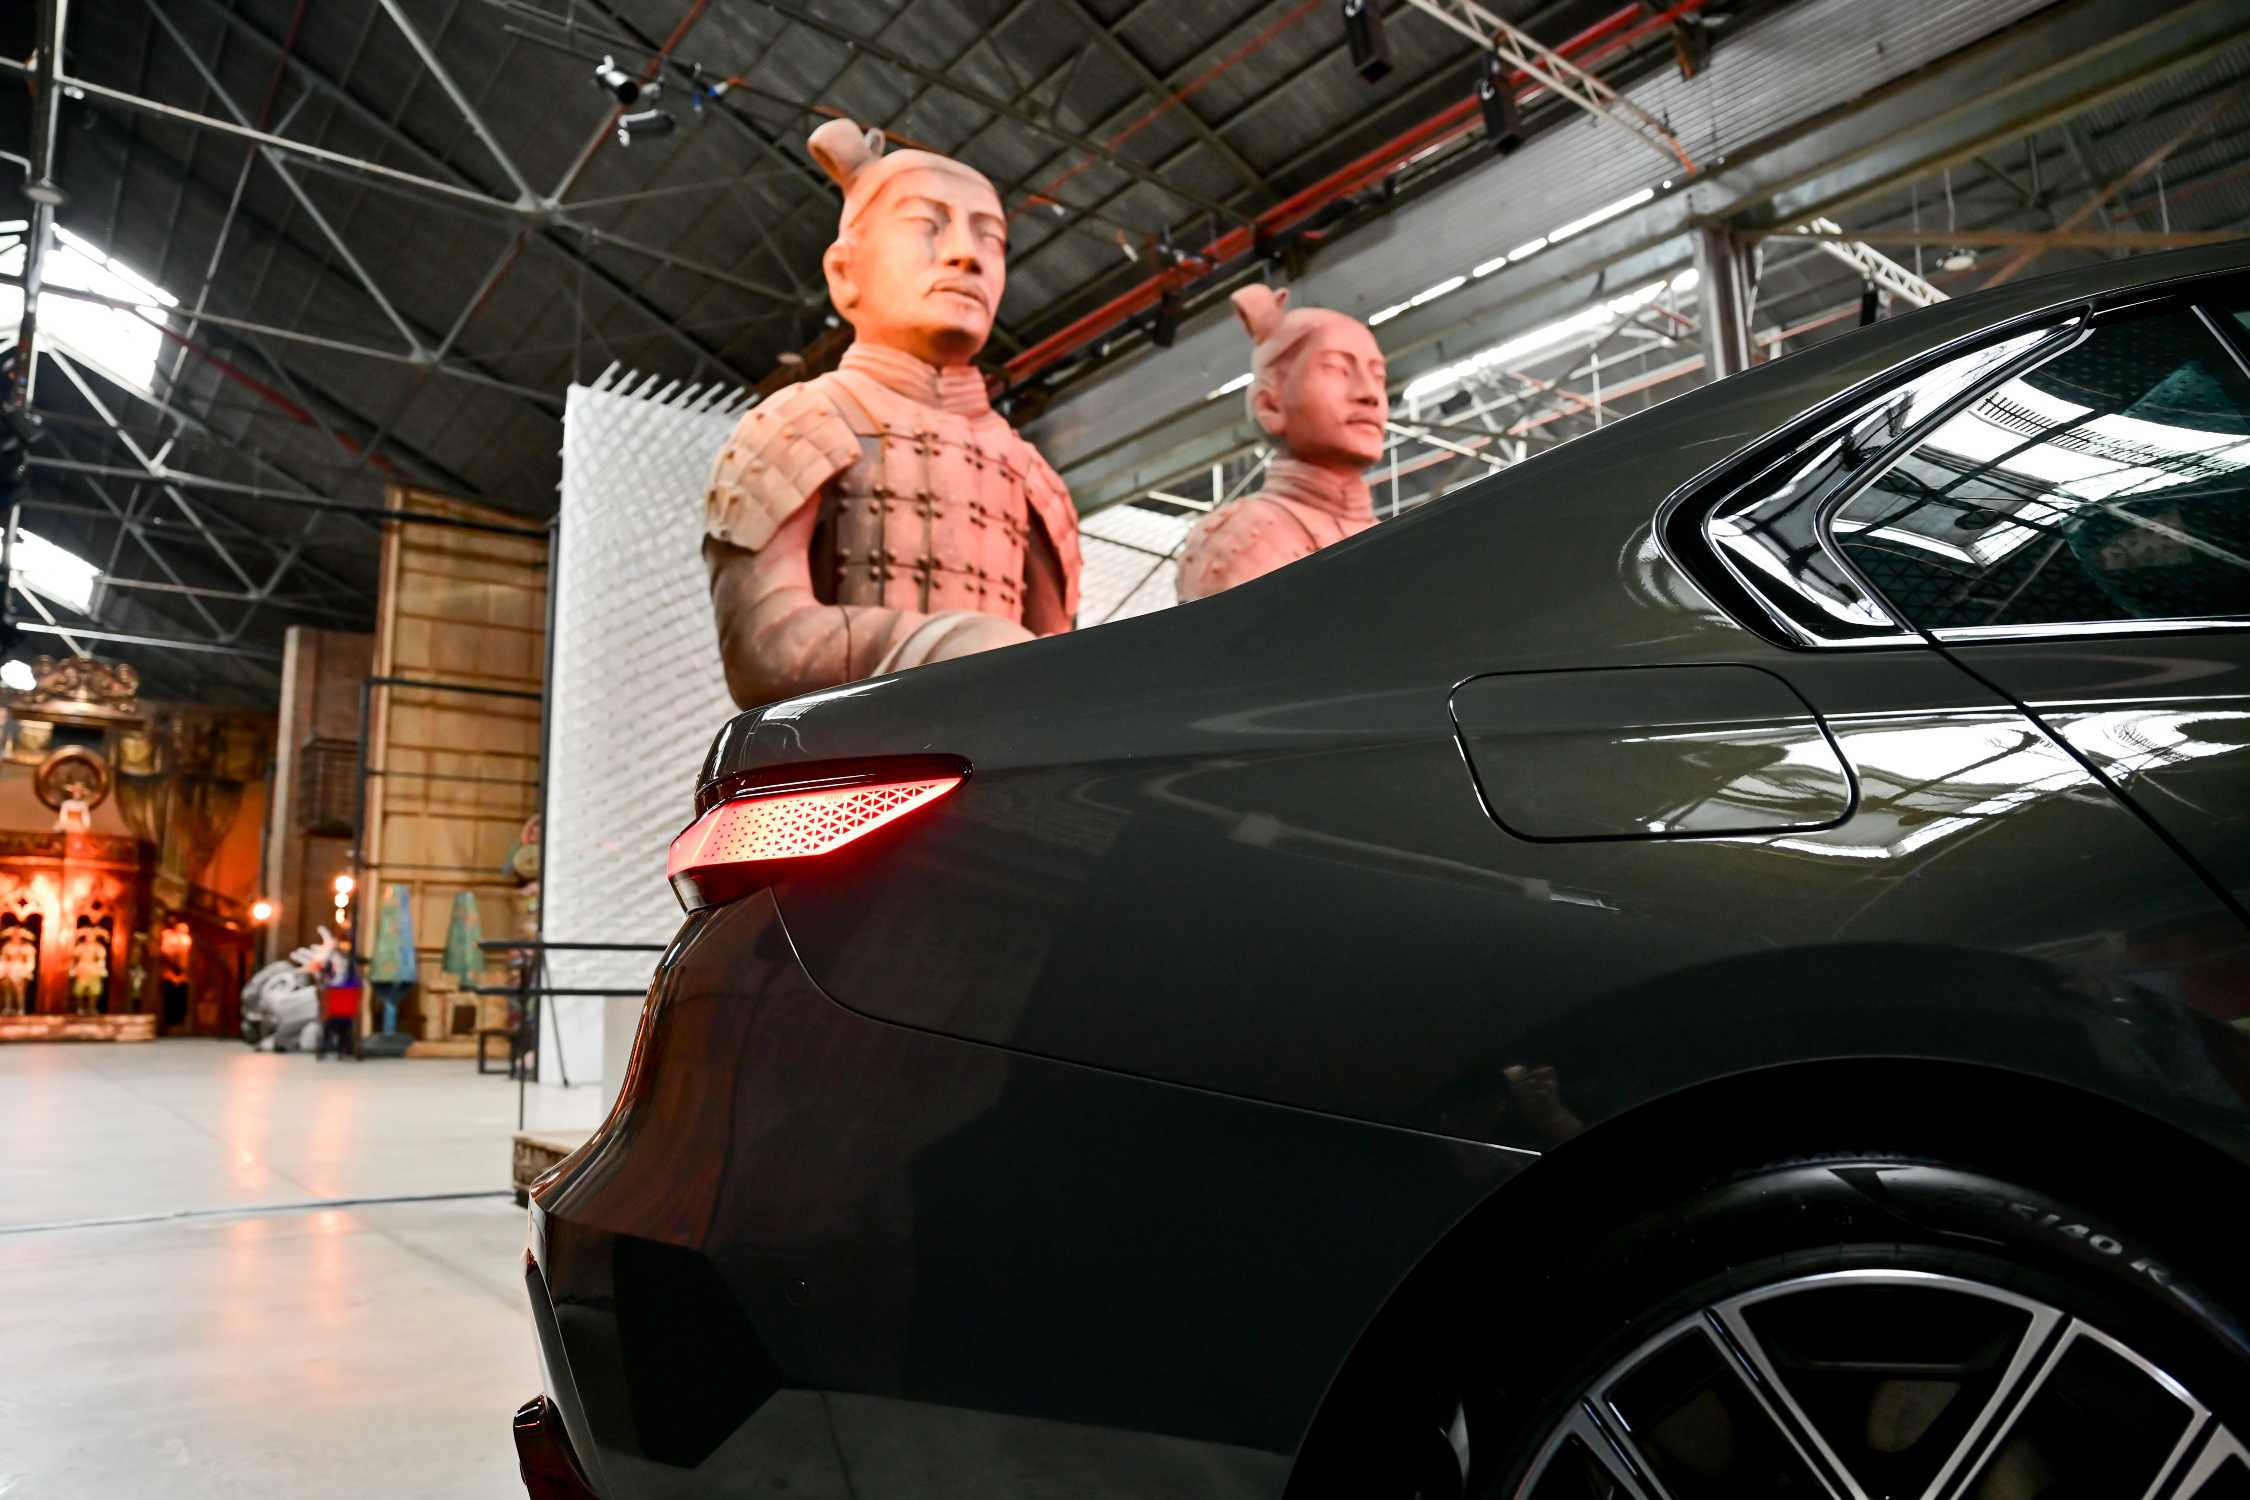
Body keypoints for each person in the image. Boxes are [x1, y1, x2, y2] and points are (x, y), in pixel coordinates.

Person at [702, 118, 1081, 711]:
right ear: (844, 272)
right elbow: (765, 650)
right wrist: (963, 647)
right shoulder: (801, 421)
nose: (966, 256)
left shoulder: (1026, 469)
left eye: (990, 239)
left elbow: (1060, 671)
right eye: (926, 225)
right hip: (848, 755)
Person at [1176, 286, 1390, 600]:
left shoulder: (1391, 540)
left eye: (1379, 376)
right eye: (1337, 369)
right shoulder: (1242, 538)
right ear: (1269, 405)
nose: (1370, 394)